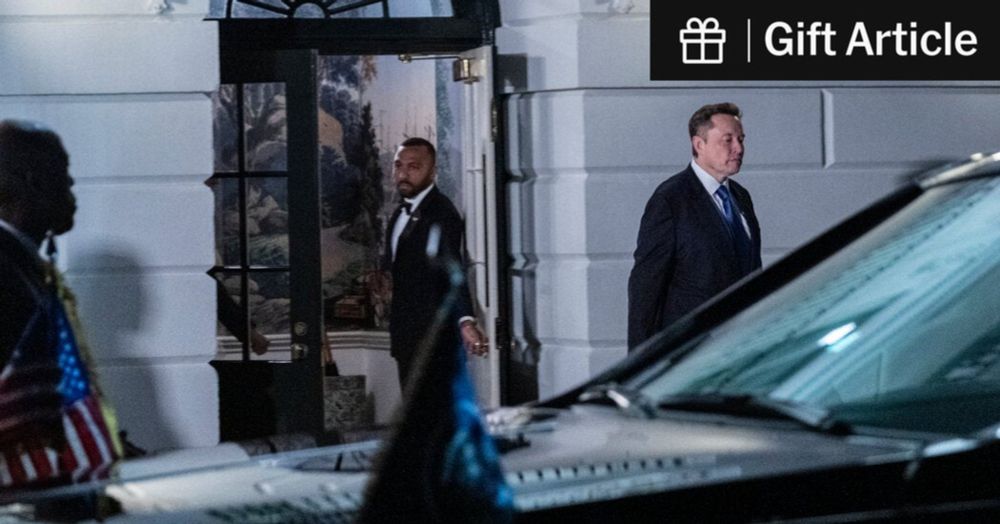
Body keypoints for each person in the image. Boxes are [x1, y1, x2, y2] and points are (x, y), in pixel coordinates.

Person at [0, 120, 121, 488]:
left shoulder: (23, 264)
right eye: (64, 177)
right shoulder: (6, 270)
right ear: (34, 182)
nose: (71, 189)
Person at [627, 103, 762, 350]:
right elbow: (645, 286)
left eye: (741, 139)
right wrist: (640, 359)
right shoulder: (670, 200)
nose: (739, 148)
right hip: (691, 348)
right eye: (728, 140)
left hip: (741, 345)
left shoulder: (741, 197)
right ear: (699, 144)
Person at [384, 137, 486, 389]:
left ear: (433, 171)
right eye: (398, 165)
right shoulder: (398, 213)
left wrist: (466, 321)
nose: (403, 174)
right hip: (405, 335)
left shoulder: (442, 213)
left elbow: (453, 270)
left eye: (413, 167)